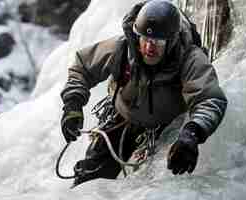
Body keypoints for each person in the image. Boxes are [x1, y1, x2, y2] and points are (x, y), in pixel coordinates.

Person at [60, 0, 227, 187]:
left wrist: (192, 133)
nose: (149, 47)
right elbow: (83, 68)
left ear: (171, 40)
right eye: (145, 39)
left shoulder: (190, 59)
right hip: (121, 119)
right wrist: (72, 105)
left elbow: (209, 99)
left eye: (157, 41)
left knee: (155, 189)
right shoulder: (122, 48)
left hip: (166, 129)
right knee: (88, 180)